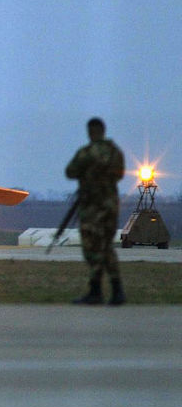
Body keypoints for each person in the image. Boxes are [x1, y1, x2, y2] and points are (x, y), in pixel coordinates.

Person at [65, 117, 126, 305]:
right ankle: (117, 291)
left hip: (92, 208)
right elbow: (120, 173)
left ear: (90, 132)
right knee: (107, 247)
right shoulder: (115, 152)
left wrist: (89, 173)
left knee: (92, 248)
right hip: (110, 206)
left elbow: (70, 172)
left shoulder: (86, 153)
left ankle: (96, 291)